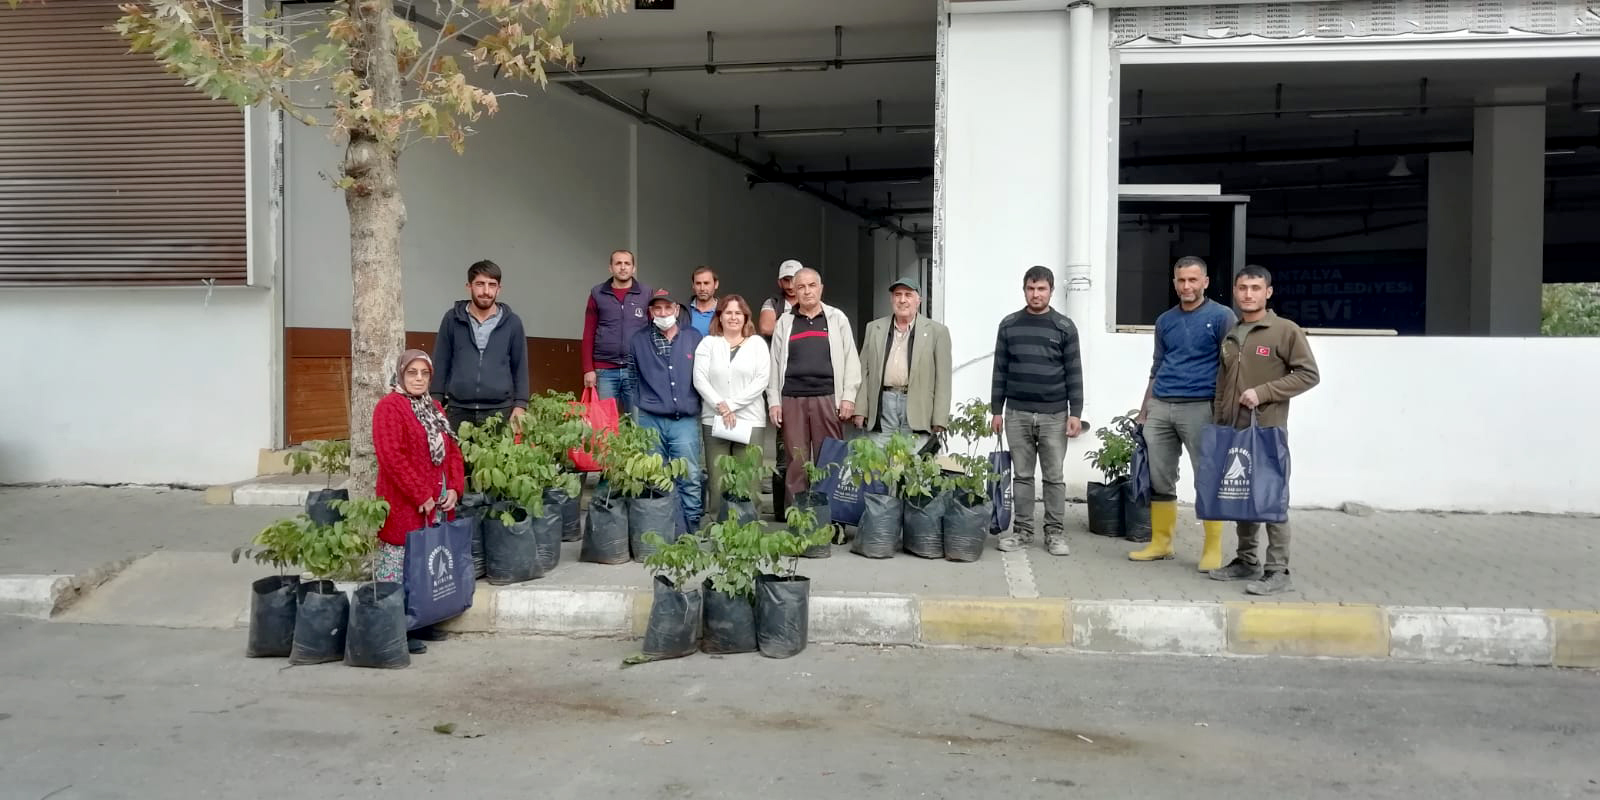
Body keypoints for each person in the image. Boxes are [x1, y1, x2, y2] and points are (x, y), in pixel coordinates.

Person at [1207, 265, 1321, 595]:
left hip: (1268, 429)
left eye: (1256, 288)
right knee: (1242, 496)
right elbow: (1222, 382)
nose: (1248, 294)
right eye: (1243, 288)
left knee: (1271, 498)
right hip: (1234, 429)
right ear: (1235, 290)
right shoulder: (1233, 333)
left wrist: (1264, 392)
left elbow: (1308, 375)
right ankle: (1245, 561)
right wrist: (1219, 422)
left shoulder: (1285, 331)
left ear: (1268, 292)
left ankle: (1277, 570)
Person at [1129, 256, 1236, 570]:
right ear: (1174, 283)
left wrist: (1223, 410)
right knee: (1160, 478)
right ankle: (1161, 544)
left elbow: (1231, 367)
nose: (1186, 286)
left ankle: (1213, 549)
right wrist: (1145, 409)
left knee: (1207, 477)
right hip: (1162, 405)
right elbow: (1157, 366)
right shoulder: (1165, 321)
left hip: (1200, 407)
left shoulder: (1222, 317)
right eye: (1181, 281)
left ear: (1205, 282)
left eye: (1193, 280)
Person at [374, 350, 466, 656]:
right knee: (401, 564)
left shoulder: (434, 407)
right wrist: (420, 495)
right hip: (405, 503)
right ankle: (399, 626)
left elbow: (451, 451)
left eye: (424, 373)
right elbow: (392, 457)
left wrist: (454, 487)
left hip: (436, 502)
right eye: (412, 372)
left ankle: (423, 620)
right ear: (401, 374)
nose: (418, 379)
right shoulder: (389, 408)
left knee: (426, 564)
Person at [990, 266, 1084, 557]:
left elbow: (1074, 372)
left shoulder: (1064, 327)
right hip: (1016, 413)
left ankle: (1055, 534)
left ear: (1051, 291)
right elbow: (1000, 370)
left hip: (1054, 415)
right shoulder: (1009, 325)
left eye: (1041, 289)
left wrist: (1075, 412)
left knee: (1054, 477)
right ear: (1024, 290)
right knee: (1022, 476)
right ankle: (1022, 532)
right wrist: (997, 410)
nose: (1036, 294)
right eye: (1031, 289)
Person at [768, 267, 862, 499]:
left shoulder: (836, 318)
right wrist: (773, 401)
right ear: (794, 291)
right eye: (801, 287)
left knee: (829, 459)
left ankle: (829, 521)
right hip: (792, 398)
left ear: (821, 289)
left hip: (827, 398)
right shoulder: (784, 322)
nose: (807, 291)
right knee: (796, 462)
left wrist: (849, 396)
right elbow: (774, 363)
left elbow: (851, 358)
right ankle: (797, 525)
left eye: (812, 286)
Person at [629, 289, 706, 531]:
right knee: (656, 475)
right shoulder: (638, 339)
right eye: (657, 309)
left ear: (675, 309)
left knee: (690, 476)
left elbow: (702, 375)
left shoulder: (693, 338)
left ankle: (691, 528)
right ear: (651, 312)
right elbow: (632, 377)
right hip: (650, 419)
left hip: (684, 419)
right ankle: (663, 527)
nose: (662, 313)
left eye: (667, 308)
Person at [693, 294, 771, 524]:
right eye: (728, 312)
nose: (733, 317)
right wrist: (721, 405)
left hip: (750, 419)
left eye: (738, 313)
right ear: (720, 316)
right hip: (714, 418)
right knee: (718, 479)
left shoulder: (757, 343)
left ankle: (748, 528)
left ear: (746, 317)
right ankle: (720, 526)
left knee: (749, 478)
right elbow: (700, 379)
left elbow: (762, 379)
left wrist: (732, 405)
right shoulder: (708, 343)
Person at [429, 260, 529, 433]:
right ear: (469, 286)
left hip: (499, 411)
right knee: (456, 460)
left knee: (497, 460)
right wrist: (436, 402)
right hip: (457, 411)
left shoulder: (512, 323)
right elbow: (441, 360)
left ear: (499, 288)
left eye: (492, 285)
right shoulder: (452, 319)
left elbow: (520, 366)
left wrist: (520, 405)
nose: (486, 291)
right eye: (480, 284)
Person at [852, 277, 952, 449]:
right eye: (897, 295)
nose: (902, 300)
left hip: (917, 407)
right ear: (892, 299)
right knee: (878, 462)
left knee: (913, 466)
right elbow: (863, 371)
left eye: (908, 295)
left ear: (918, 300)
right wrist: (860, 409)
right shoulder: (874, 328)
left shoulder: (937, 332)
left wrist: (940, 418)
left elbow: (943, 379)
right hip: (883, 404)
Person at [582, 249, 652, 415]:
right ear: (610, 268)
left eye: (627, 263)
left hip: (636, 370)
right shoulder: (597, 293)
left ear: (633, 268)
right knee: (604, 428)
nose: (622, 267)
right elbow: (588, 333)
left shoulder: (646, 293)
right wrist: (588, 369)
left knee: (637, 425)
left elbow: (653, 332)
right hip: (604, 371)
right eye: (618, 263)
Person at [757, 259, 803, 337]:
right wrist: (802, 323)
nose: (790, 286)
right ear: (779, 282)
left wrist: (780, 324)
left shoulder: (811, 302)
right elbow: (766, 328)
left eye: (794, 280)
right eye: (786, 280)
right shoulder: (772, 302)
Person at [686, 266, 720, 336]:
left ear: (716, 284)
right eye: (698, 283)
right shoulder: (682, 311)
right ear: (693, 285)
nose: (702, 288)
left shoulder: (725, 310)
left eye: (706, 283)